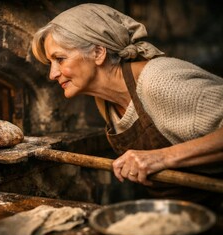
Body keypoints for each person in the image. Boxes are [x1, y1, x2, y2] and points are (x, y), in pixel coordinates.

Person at [31, 3, 223, 206]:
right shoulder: (105, 102)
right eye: (50, 64)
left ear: (98, 52)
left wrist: (161, 158)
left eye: (60, 59)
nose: (52, 74)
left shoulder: (160, 82)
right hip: (185, 210)